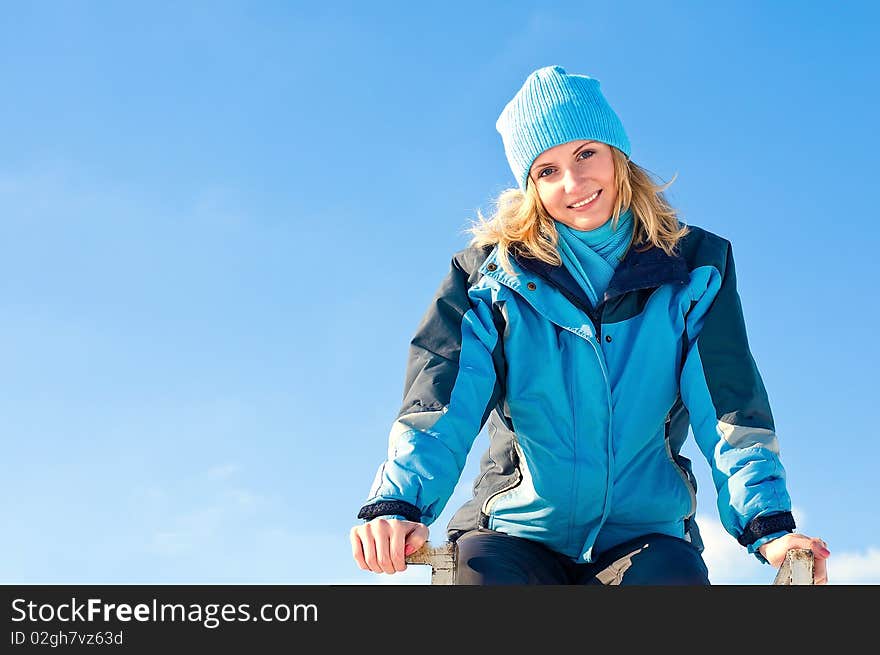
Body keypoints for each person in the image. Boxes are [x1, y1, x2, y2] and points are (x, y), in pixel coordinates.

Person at [349, 65, 830, 585]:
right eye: (547, 170)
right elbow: (442, 401)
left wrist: (770, 526)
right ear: (530, 186)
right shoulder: (488, 278)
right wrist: (398, 504)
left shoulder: (695, 268)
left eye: (586, 154)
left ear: (617, 156)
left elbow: (729, 406)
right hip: (516, 533)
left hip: (646, 535)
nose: (574, 183)